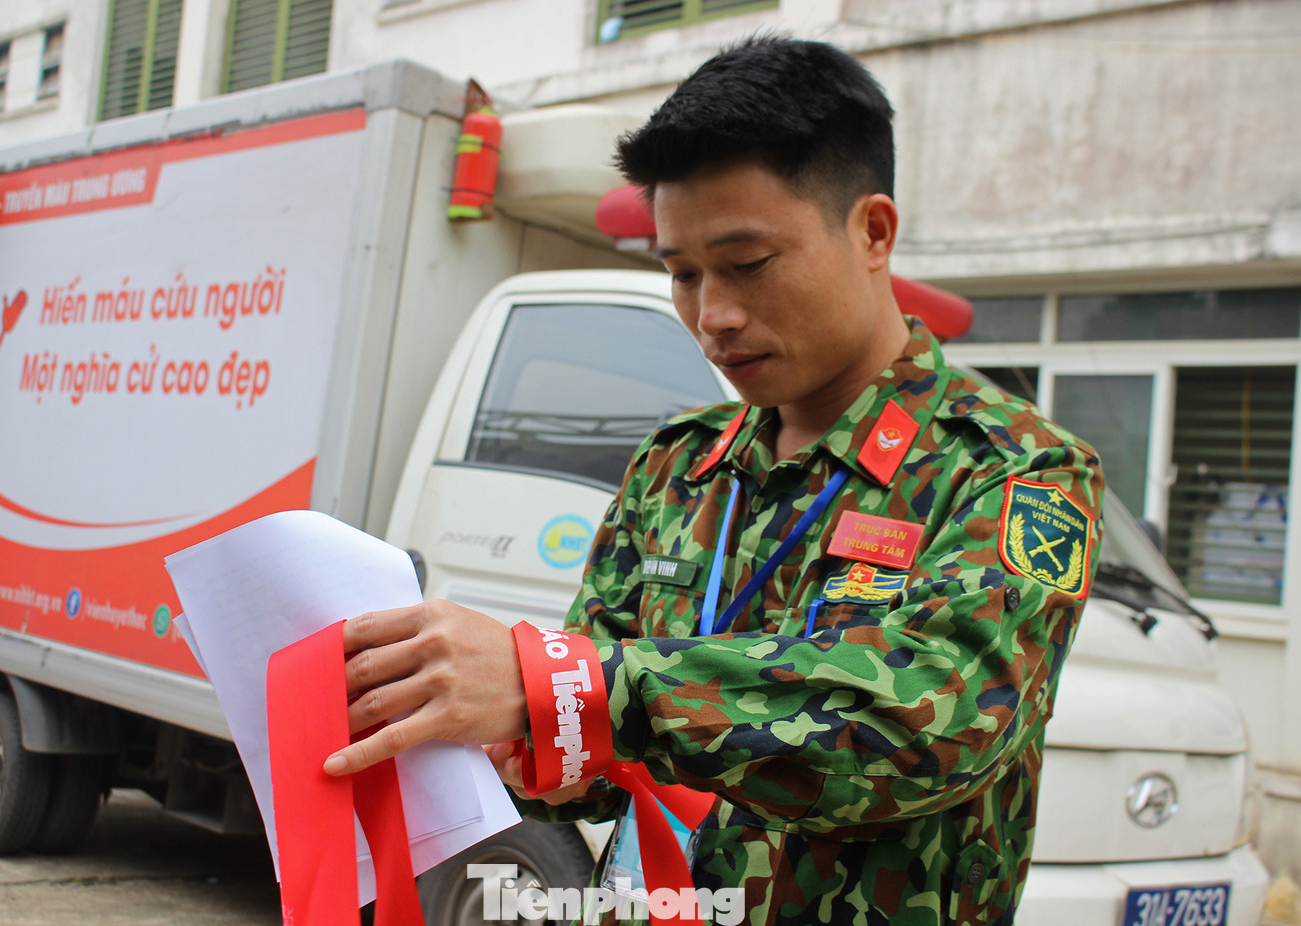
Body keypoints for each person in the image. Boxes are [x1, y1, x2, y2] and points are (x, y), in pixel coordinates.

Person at [324, 35, 1104, 925]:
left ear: (874, 231)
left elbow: (930, 727)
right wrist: (490, 733)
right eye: (683, 273)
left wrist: (573, 688)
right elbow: (591, 766)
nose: (714, 316)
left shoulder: (1014, 467)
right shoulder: (677, 464)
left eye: (748, 264)